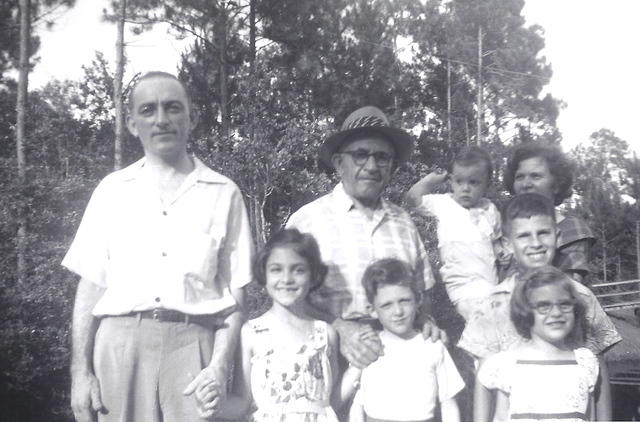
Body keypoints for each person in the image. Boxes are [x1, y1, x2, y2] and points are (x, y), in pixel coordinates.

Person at [64, 71, 253, 422]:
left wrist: (218, 366)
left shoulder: (224, 193)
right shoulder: (112, 190)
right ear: (133, 124)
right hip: (119, 348)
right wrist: (80, 372)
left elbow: (236, 296)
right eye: (149, 110)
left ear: (192, 117)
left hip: (193, 347)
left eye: (173, 108)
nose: (161, 119)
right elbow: (90, 286)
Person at [287, 105, 442, 370]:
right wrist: (339, 328)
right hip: (326, 355)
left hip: (396, 355)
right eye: (360, 155)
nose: (371, 166)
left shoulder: (403, 222)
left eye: (382, 158)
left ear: (391, 165)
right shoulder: (307, 221)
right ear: (339, 162)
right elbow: (286, 298)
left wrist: (426, 320)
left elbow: (422, 293)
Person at [458, 193, 620, 421]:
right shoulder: (491, 304)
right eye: (524, 235)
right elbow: (483, 378)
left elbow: (598, 371)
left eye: (543, 232)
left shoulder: (580, 296)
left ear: (557, 235)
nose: (535, 243)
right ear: (507, 244)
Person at [216, 228, 340, 422]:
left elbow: (332, 400)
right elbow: (242, 400)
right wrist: (215, 406)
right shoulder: (252, 332)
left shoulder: (325, 333)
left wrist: (358, 369)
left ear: (313, 275)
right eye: (276, 269)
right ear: (264, 274)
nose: (287, 279)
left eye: (298, 270)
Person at [339, 258, 464, 422]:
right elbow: (356, 404)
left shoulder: (432, 346)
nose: (398, 311)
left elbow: (448, 404)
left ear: (418, 300)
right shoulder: (368, 347)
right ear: (372, 310)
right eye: (387, 305)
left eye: (404, 301)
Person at [476, 266, 599, 422]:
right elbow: (500, 416)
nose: (556, 313)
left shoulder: (584, 362)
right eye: (543, 306)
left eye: (565, 304)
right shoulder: (509, 364)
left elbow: (590, 418)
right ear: (525, 312)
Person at [405, 146, 506, 319]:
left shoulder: (490, 209)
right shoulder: (443, 203)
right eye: (459, 181)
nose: (465, 188)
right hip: (461, 282)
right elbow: (412, 199)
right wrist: (432, 179)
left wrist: (501, 251)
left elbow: (496, 240)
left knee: (497, 318)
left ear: (486, 185)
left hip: (489, 279)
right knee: (482, 317)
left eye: (473, 182)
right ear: (451, 181)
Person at [504, 141, 595, 282]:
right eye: (519, 177)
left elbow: (570, 290)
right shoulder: (503, 227)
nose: (526, 184)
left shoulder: (571, 229)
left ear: (556, 185)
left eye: (536, 176)